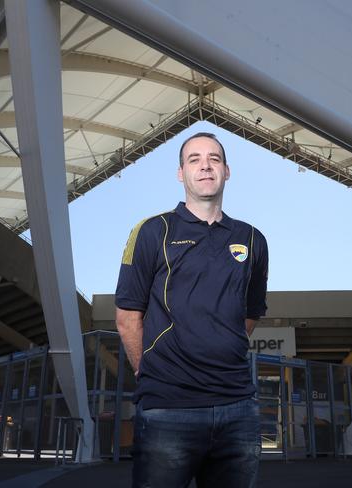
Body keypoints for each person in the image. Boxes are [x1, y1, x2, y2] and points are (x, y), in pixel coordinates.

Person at [115, 132, 269, 488]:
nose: (205, 166)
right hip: (169, 408)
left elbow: (249, 313)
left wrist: (219, 343)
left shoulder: (252, 239)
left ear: (227, 171)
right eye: (194, 159)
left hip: (238, 409)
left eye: (214, 159)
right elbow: (127, 319)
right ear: (181, 173)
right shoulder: (153, 231)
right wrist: (148, 372)